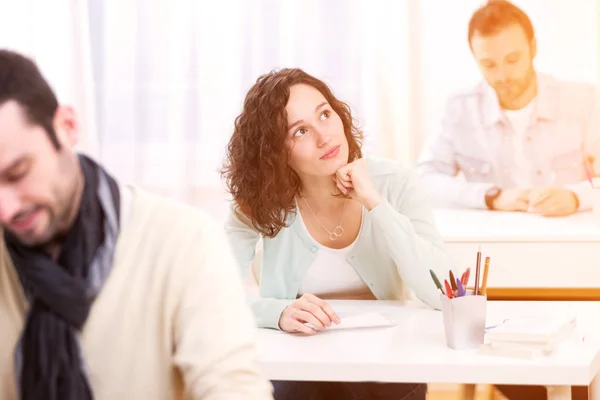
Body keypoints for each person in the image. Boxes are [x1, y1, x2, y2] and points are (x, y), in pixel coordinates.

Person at [0, 50, 273, 400]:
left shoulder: (184, 241)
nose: (6, 210)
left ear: (66, 127)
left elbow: (233, 387)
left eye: (18, 172)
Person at [221, 67, 453, 400]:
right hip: (299, 362)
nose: (324, 136)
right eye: (300, 131)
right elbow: (215, 297)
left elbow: (442, 292)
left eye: (325, 115)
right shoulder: (258, 199)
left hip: (386, 360)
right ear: (276, 152)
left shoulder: (395, 181)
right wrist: (277, 312)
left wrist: (375, 203)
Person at [416, 0, 600, 217]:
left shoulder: (584, 101)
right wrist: (491, 197)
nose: (502, 76)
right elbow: (423, 181)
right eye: (489, 65)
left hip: (570, 240)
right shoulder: (459, 110)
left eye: (512, 60)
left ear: (533, 48)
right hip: (495, 244)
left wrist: (575, 197)